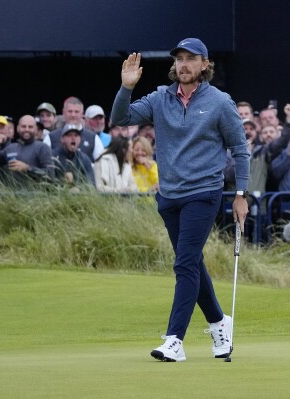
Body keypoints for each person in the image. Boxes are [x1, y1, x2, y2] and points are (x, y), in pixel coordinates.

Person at [111, 37, 250, 362]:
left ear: (205, 65)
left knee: (184, 263)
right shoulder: (160, 97)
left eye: (191, 58)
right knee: (192, 263)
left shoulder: (219, 101)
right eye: (180, 59)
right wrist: (126, 87)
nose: (184, 64)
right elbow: (121, 118)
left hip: (203, 193)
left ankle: (175, 340)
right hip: (169, 195)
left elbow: (241, 150)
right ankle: (218, 323)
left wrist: (241, 195)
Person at [0, 115, 54, 184]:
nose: (26, 129)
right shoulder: (10, 148)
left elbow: (50, 175)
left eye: (30, 127)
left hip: (36, 193)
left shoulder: (43, 148)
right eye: (23, 126)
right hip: (11, 193)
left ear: (35, 129)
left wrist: (27, 168)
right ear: (18, 128)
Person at [50, 97, 104, 162]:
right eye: (70, 111)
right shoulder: (51, 137)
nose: (73, 115)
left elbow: (101, 164)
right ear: (63, 112)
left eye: (76, 112)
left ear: (82, 114)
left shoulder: (94, 138)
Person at [52, 123, 95, 188]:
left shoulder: (84, 159)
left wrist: (79, 188)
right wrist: (62, 181)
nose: (73, 138)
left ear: (80, 139)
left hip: (79, 196)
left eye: (76, 135)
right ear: (62, 139)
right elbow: (47, 181)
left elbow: (92, 183)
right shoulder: (53, 157)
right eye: (69, 135)